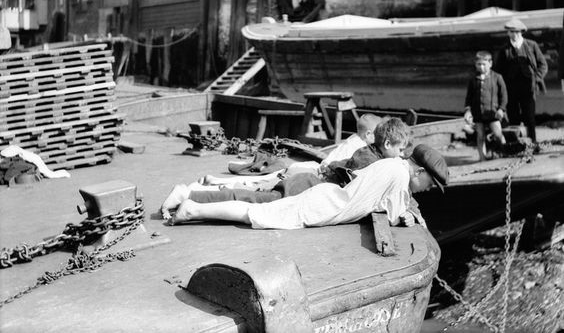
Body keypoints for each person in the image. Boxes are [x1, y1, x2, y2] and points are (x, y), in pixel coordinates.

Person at [167, 144, 448, 229]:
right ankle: (191, 209)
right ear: (419, 171)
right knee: (254, 214)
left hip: (325, 197)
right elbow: (398, 216)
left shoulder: (392, 164)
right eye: (430, 183)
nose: (428, 189)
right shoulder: (400, 177)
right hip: (322, 208)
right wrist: (411, 217)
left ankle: (194, 205)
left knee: (257, 210)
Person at [160, 113, 383, 220]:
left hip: (308, 176)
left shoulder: (354, 144)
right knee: (253, 196)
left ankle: (197, 192)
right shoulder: (363, 152)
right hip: (307, 181)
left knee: (255, 189)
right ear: (370, 135)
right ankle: (191, 197)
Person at [495, 17, 548, 143]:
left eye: (517, 32)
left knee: (529, 117)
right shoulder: (504, 50)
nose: (514, 35)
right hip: (510, 88)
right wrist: (501, 88)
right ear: (508, 33)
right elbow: (498, 71)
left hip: (528, 88)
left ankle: (533, 145)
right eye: (512, 32)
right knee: (513, 117)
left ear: (521, 32)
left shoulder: (531, 45)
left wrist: (536, 78)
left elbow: (543, 65)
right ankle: (515, 145)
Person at [464, 51, 508, 161]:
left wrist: (501, 109)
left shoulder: (497, 77)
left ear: (490, 63)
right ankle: (482, 157)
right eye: (479, 64)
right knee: (480, 136)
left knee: (498, 134)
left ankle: (505, 153)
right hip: (478, 114)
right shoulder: (473, 80)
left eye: (484, 64)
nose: (482, 67)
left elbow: (504, 96)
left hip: (493, 113)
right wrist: (468, 111)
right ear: (475, 64)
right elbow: (468, 97)